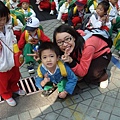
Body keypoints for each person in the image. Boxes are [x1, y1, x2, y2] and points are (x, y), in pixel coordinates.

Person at [53, 24, 112, 89]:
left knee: (90, 74)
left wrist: (71, 61)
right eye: (60, 42)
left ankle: (103, 76)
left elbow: (82, 73)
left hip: (102, 54)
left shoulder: (88, 46)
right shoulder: (71, 44)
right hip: (84, 54)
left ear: (74, 37)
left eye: (67, 39)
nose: (64, 44)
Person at [0, 1, 25, 107]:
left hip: (13, 58)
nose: (1, 22)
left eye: (3, 19)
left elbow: (13, 37)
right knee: (3, 82)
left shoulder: (8, 26)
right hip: (1, 64)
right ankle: (6, 94)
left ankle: (15, 88)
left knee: (15, 75)